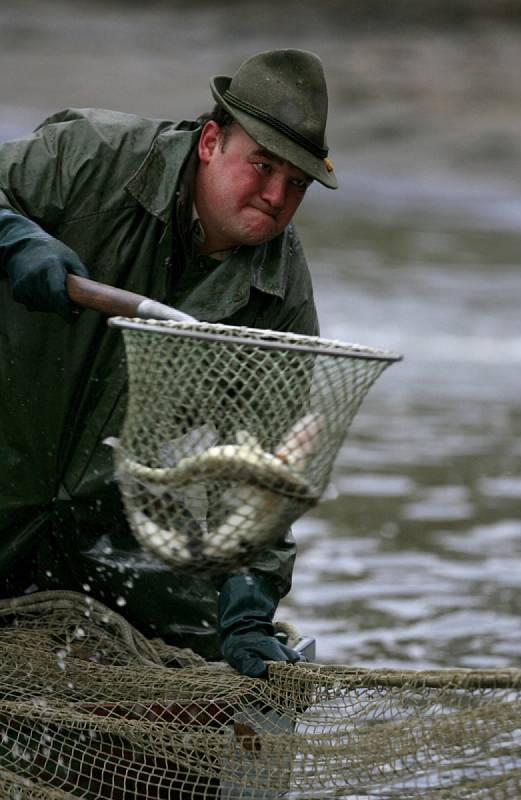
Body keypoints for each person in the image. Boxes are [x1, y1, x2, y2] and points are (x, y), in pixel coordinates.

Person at [0, 49, 337, 678]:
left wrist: (248, 606)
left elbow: (263, 477)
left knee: (220, 661)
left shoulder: (281, 300)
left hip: (110, 524)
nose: (275, 197)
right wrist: (13, 235)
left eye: (296, 183)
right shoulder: (90, 157)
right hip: (5, 462)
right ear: (211, 141)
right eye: (262, 166)